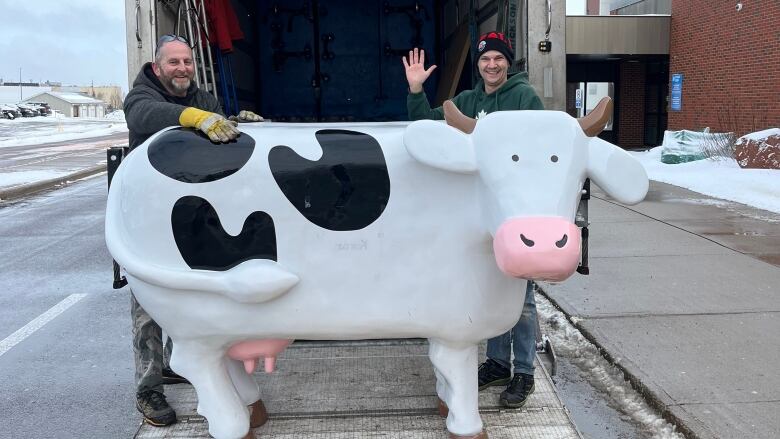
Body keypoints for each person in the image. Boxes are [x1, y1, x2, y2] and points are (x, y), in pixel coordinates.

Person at [123, 34, 263, 426]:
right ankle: (148, 391)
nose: (183, 68)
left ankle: (174, 362)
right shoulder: (141, 96)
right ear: (157, 67)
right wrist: (190, 118)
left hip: (190, 215)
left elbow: (218, 141)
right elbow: (145, 117)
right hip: (148, 219)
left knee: (191, 296)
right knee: (148, 307)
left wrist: (237, 125)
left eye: (187, 61)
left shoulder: (204, 100)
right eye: (174, 63)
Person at [402, 31, 542, 409]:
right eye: (485, 59)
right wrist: (416, 91)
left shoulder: (524, 97)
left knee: (523, 298)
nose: (491, 65)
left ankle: (525, 372)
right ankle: (497, 364)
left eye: (498, 58)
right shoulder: (466, 100)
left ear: (507, 63)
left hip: (514, 210)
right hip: (478, 211)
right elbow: (428, 127)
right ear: (477, 64)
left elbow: (537, 149)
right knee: (492, 289)